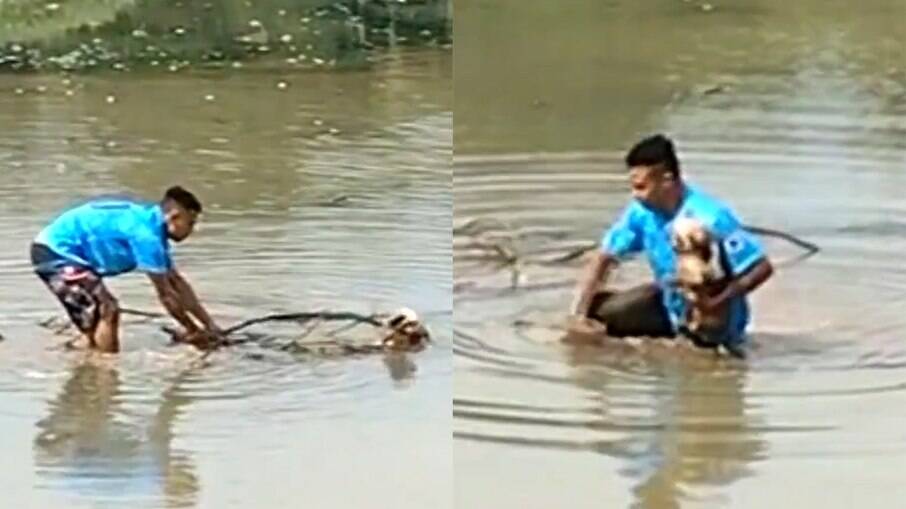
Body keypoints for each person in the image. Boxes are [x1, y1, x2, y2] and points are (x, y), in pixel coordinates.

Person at [569, 134, 774, 357]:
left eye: (641, 187)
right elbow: (604, 257)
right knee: (600, 312)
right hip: (669, 299)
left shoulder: (710, 218)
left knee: (701, 361)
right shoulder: (641, 213)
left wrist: (716, 302)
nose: (635, 195)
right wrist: (578, 316)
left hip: (712, 316)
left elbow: (762, 268)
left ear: (667, 179)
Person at [30, 186, 222, 353]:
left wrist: (209, 325)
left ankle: (89, 359)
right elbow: (167, 295)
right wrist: (192, 330)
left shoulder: (150, 225)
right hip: (55, 252)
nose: (191, 230)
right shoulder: (146, 236)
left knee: (95, 321)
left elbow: (177, 283)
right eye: (190, 223)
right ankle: (106, 372)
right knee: (108, 309)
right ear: (174, 217)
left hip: (65, 252)